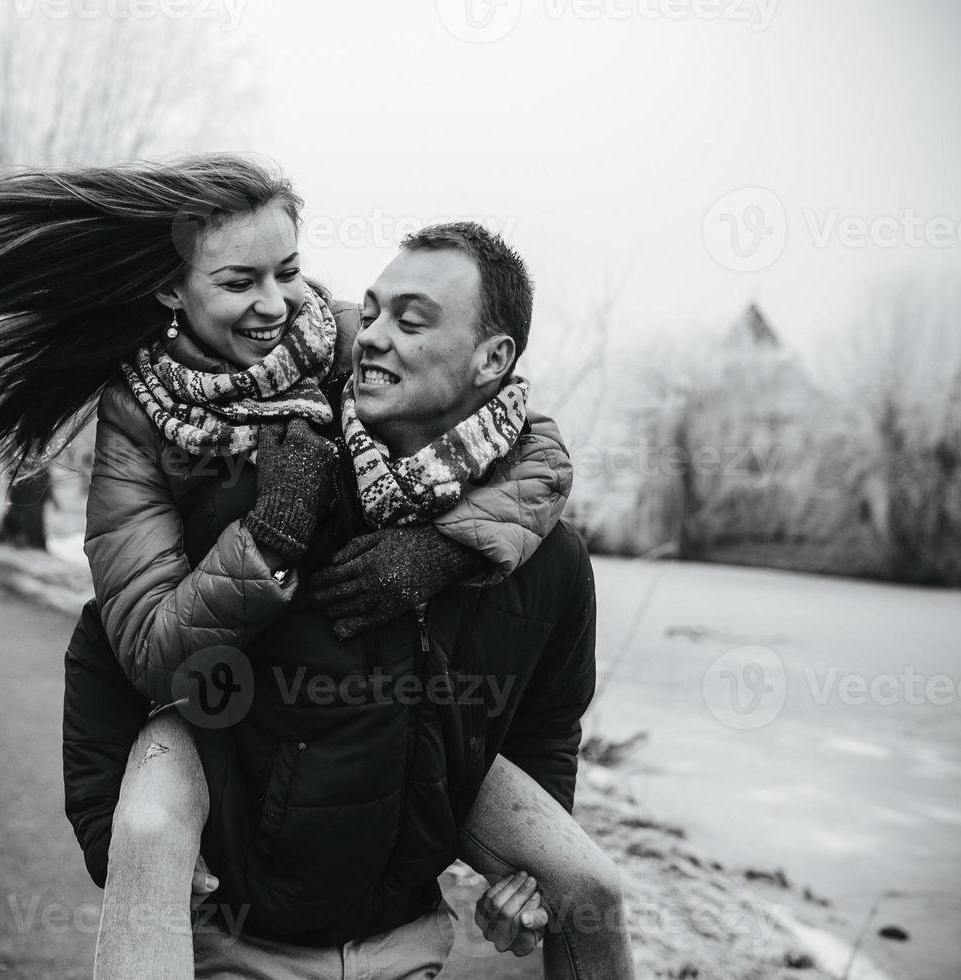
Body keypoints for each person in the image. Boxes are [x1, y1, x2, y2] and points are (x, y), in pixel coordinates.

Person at [0, 157, 625, 976]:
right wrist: (269, 534)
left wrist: (451, 543)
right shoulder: (143, 423)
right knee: (149, 831)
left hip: (375, 826)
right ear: (171, 294)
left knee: (585, 885)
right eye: (239, 281)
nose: (276, 303)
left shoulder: (341, 358)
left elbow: (521, 437)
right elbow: (129, 648)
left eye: (288, 272)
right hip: (217, 707)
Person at [66, 221, 636, 978]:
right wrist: (119, 843)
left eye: (411, 320)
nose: (371, 337)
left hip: (401, 948)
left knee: (595, 891)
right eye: (368, 314)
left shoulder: (549, 562)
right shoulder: (282, 483)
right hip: (239, 946)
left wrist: (523, 876)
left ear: (493, 358)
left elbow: (545, 722)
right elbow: (111, 646)